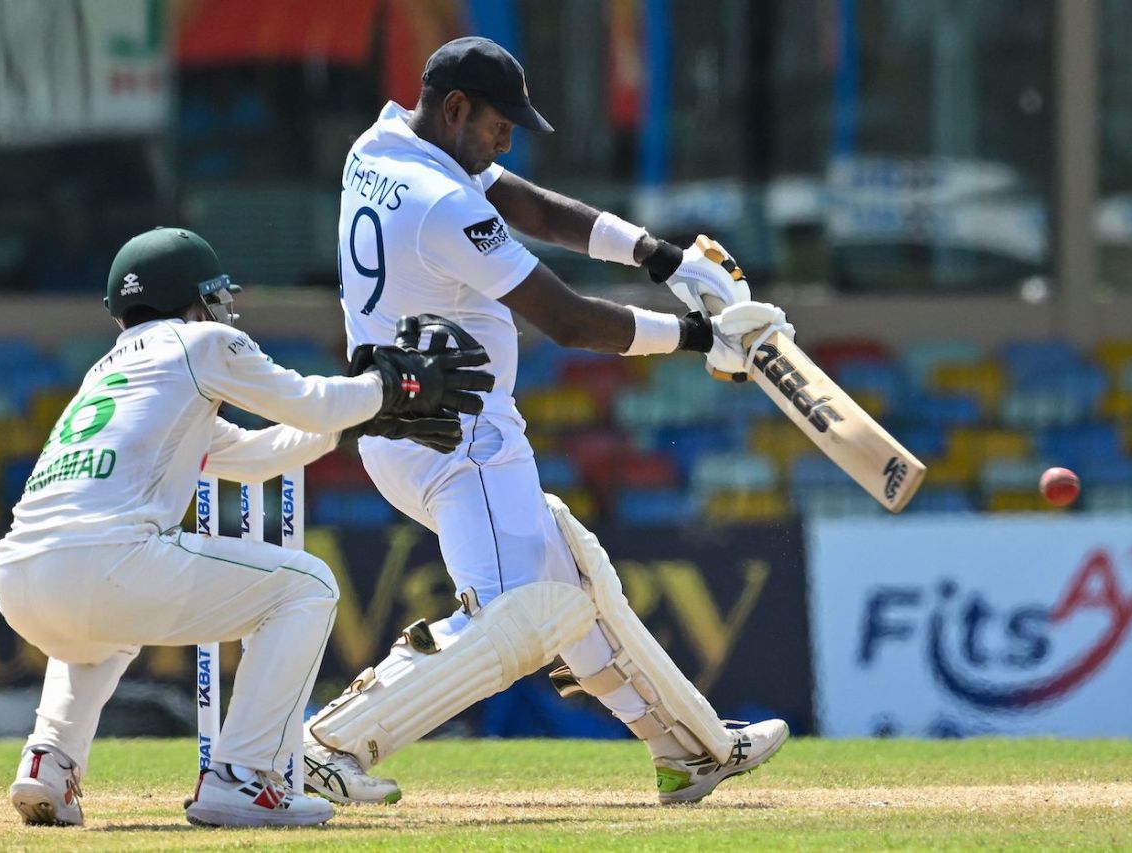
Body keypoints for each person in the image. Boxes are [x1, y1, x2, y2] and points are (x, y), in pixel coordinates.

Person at [301, 37, 793, 806]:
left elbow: (520, 201)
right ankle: (328, 744)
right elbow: (565, 319)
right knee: (520, 617)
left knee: (574, 572)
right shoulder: (441, 201)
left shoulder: (386, 146)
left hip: (405, 422)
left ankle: (691, 748)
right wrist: (696, 336)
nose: (506, 140)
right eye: (500, 124)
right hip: (463, 438)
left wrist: (660, 257)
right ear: (456, 108)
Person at [0, 227, 493, 828]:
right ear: (192, 296)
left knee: (103, 626)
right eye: (216, 294)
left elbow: (253, 456)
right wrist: (394, 386)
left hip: (19, 576)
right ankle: (242, 776)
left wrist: (363, 419)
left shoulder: (107, 373)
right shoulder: (201, 343)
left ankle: (50, 762)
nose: (226, 305)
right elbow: (309, 402)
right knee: (307, 587)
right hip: (105, 561)